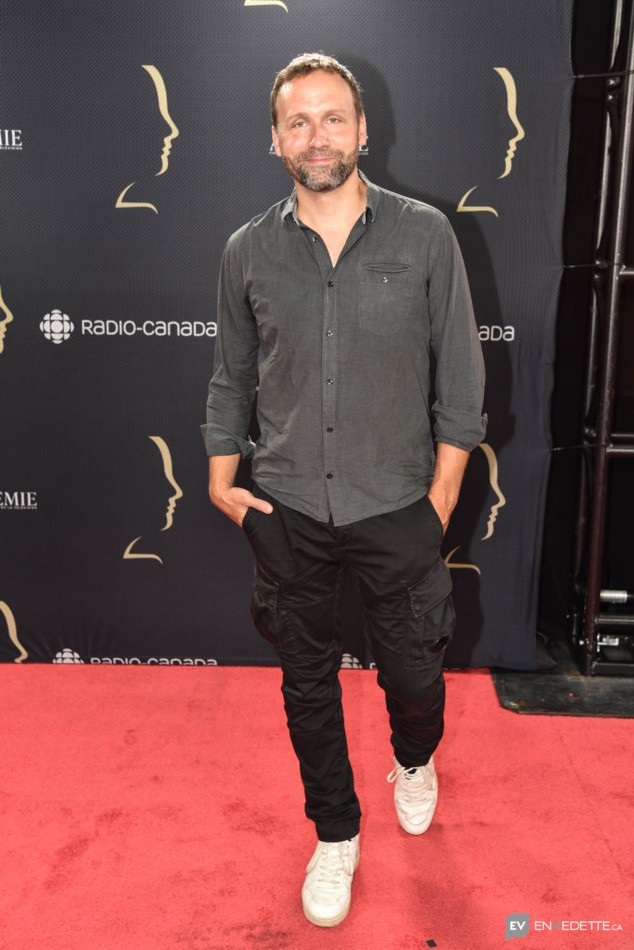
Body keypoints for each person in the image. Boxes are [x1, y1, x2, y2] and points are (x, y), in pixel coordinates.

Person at [202, 53, 486, 928]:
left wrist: (440, 499)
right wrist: (219, 478)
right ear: (275, 140)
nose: (316, 136)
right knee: (307, 684)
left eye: (333, 119)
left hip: (398, 504)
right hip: (288, 507)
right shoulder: (247, 250)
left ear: (363, 130)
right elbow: (232, 374)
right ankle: (335, 833)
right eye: (298, 121)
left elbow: (461, 376)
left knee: (416, 677)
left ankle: (415, 757)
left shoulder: (425, 235)